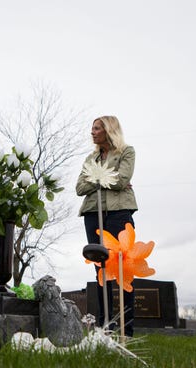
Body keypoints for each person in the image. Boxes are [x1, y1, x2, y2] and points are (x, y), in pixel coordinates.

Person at [76, 115, 138, 337]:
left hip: (118, 213)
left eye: (96, 128)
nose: (92, 132)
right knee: (101, 269)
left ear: (108, 130)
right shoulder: (91, 158)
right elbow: (79, 187)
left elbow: (122, 180)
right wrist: (102, 178)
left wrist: (97, 179)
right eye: (91, 128)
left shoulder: (126, 152)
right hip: (93, 214)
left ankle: (126, 330)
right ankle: (105, 328)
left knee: (122, 269)